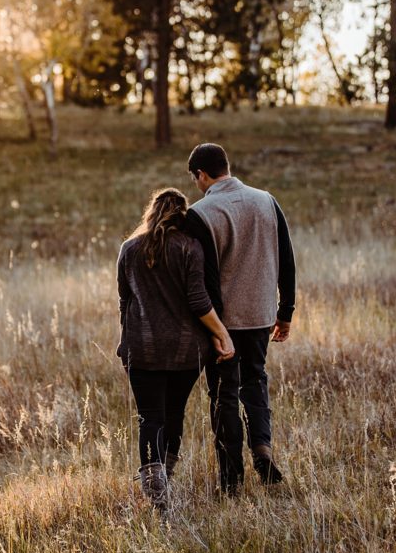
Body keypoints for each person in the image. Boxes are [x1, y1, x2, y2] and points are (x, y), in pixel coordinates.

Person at [183, 142, 296, 496]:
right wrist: (285, 311)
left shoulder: (200, 213)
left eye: (195, 179)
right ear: (226, 166)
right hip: (261, 315)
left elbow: (203, 278)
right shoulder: (267, 200)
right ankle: (262, 448)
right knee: (256, 381)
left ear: (201, 174)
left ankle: (231, 477)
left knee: (224, 394)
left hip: (223, 324)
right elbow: (287, 258)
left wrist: (215, 328)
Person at [117, 188, 235, 511]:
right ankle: (164, 478)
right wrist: (222, 334)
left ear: (151, 212)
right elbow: (199, 302)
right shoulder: (190, 248)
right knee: (173, 415)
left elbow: (124, 302)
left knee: (149, 418)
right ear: (183, 216)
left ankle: (156, 493)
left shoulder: (129, 250)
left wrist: (125, 342)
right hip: (187, 353)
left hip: (143, 350)